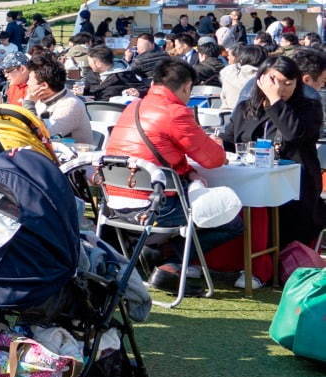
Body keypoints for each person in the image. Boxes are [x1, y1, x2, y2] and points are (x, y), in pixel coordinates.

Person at [105, 59, 237, 285]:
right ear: (187, 87)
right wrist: (215, 146)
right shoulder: (176, 113)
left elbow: (157, 155)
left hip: (115, 202)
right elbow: (214, 160)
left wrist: (186, 171)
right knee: (232, 219)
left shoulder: (132, 107)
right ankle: (171, 262)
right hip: (154, 206)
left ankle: (153, 252)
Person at [222, 55, 323, 249]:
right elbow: (229, 141)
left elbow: (293, 134)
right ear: (260, 80)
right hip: (249, 179)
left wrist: (275, 100)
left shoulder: (308, 107)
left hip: (293, 183)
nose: (281, 88)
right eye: (274, 81)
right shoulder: (246, 108)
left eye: (288, 83)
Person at [24, 54, 93, 145]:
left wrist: (28, 104)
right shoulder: (43, 98)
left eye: (29, 79)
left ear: (44, 85)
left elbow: (44, 138)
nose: (27, 83)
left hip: (73, 157)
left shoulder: (71, 105)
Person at [220, 43, 265, 110]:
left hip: (227, 115)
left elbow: (223, 97)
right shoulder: (264, 79)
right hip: (254, 116)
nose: (227, 57)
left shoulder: (227, 73)